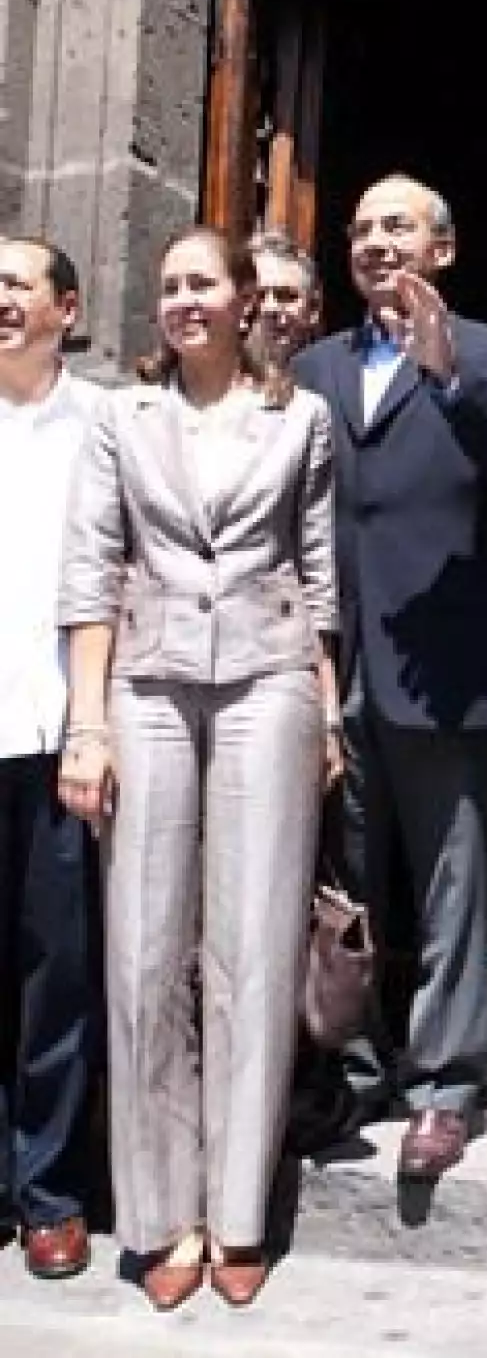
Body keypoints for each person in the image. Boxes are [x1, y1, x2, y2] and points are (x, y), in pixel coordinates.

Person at [58, 225, 339, 1313]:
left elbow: (320, 578)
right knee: (142, 946)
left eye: (200, 283)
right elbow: (91, 571)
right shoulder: (118, 418)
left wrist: (326, 712)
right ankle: (161, 1209)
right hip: (150, 683)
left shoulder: (300, 418)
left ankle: (238, 1210)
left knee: (255, 945)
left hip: (270, 683)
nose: (181, 299)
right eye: (167, 284)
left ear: (242, 299)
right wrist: (88, 726)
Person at [293, 172, 487, 1180]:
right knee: (346, 883)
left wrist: (449, 377)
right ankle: (356, 1064)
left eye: (396, 224)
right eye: (359, 227)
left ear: (441, 248)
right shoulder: (312, 365)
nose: (374, 240)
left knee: (452, 880)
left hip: (447, 664)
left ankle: (445, 1083)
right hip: (327, 660)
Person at [0, 238, 102, 1282]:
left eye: (14, 283)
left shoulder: (105, 424)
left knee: (55, 975)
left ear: (66, 308)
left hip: (61, 736)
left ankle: (51, 1192)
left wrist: (98, 720)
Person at [249, 229, 321, 367]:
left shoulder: (333, 383)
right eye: (258, 296)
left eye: (285, 296)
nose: (270, 307)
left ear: (313, 308)